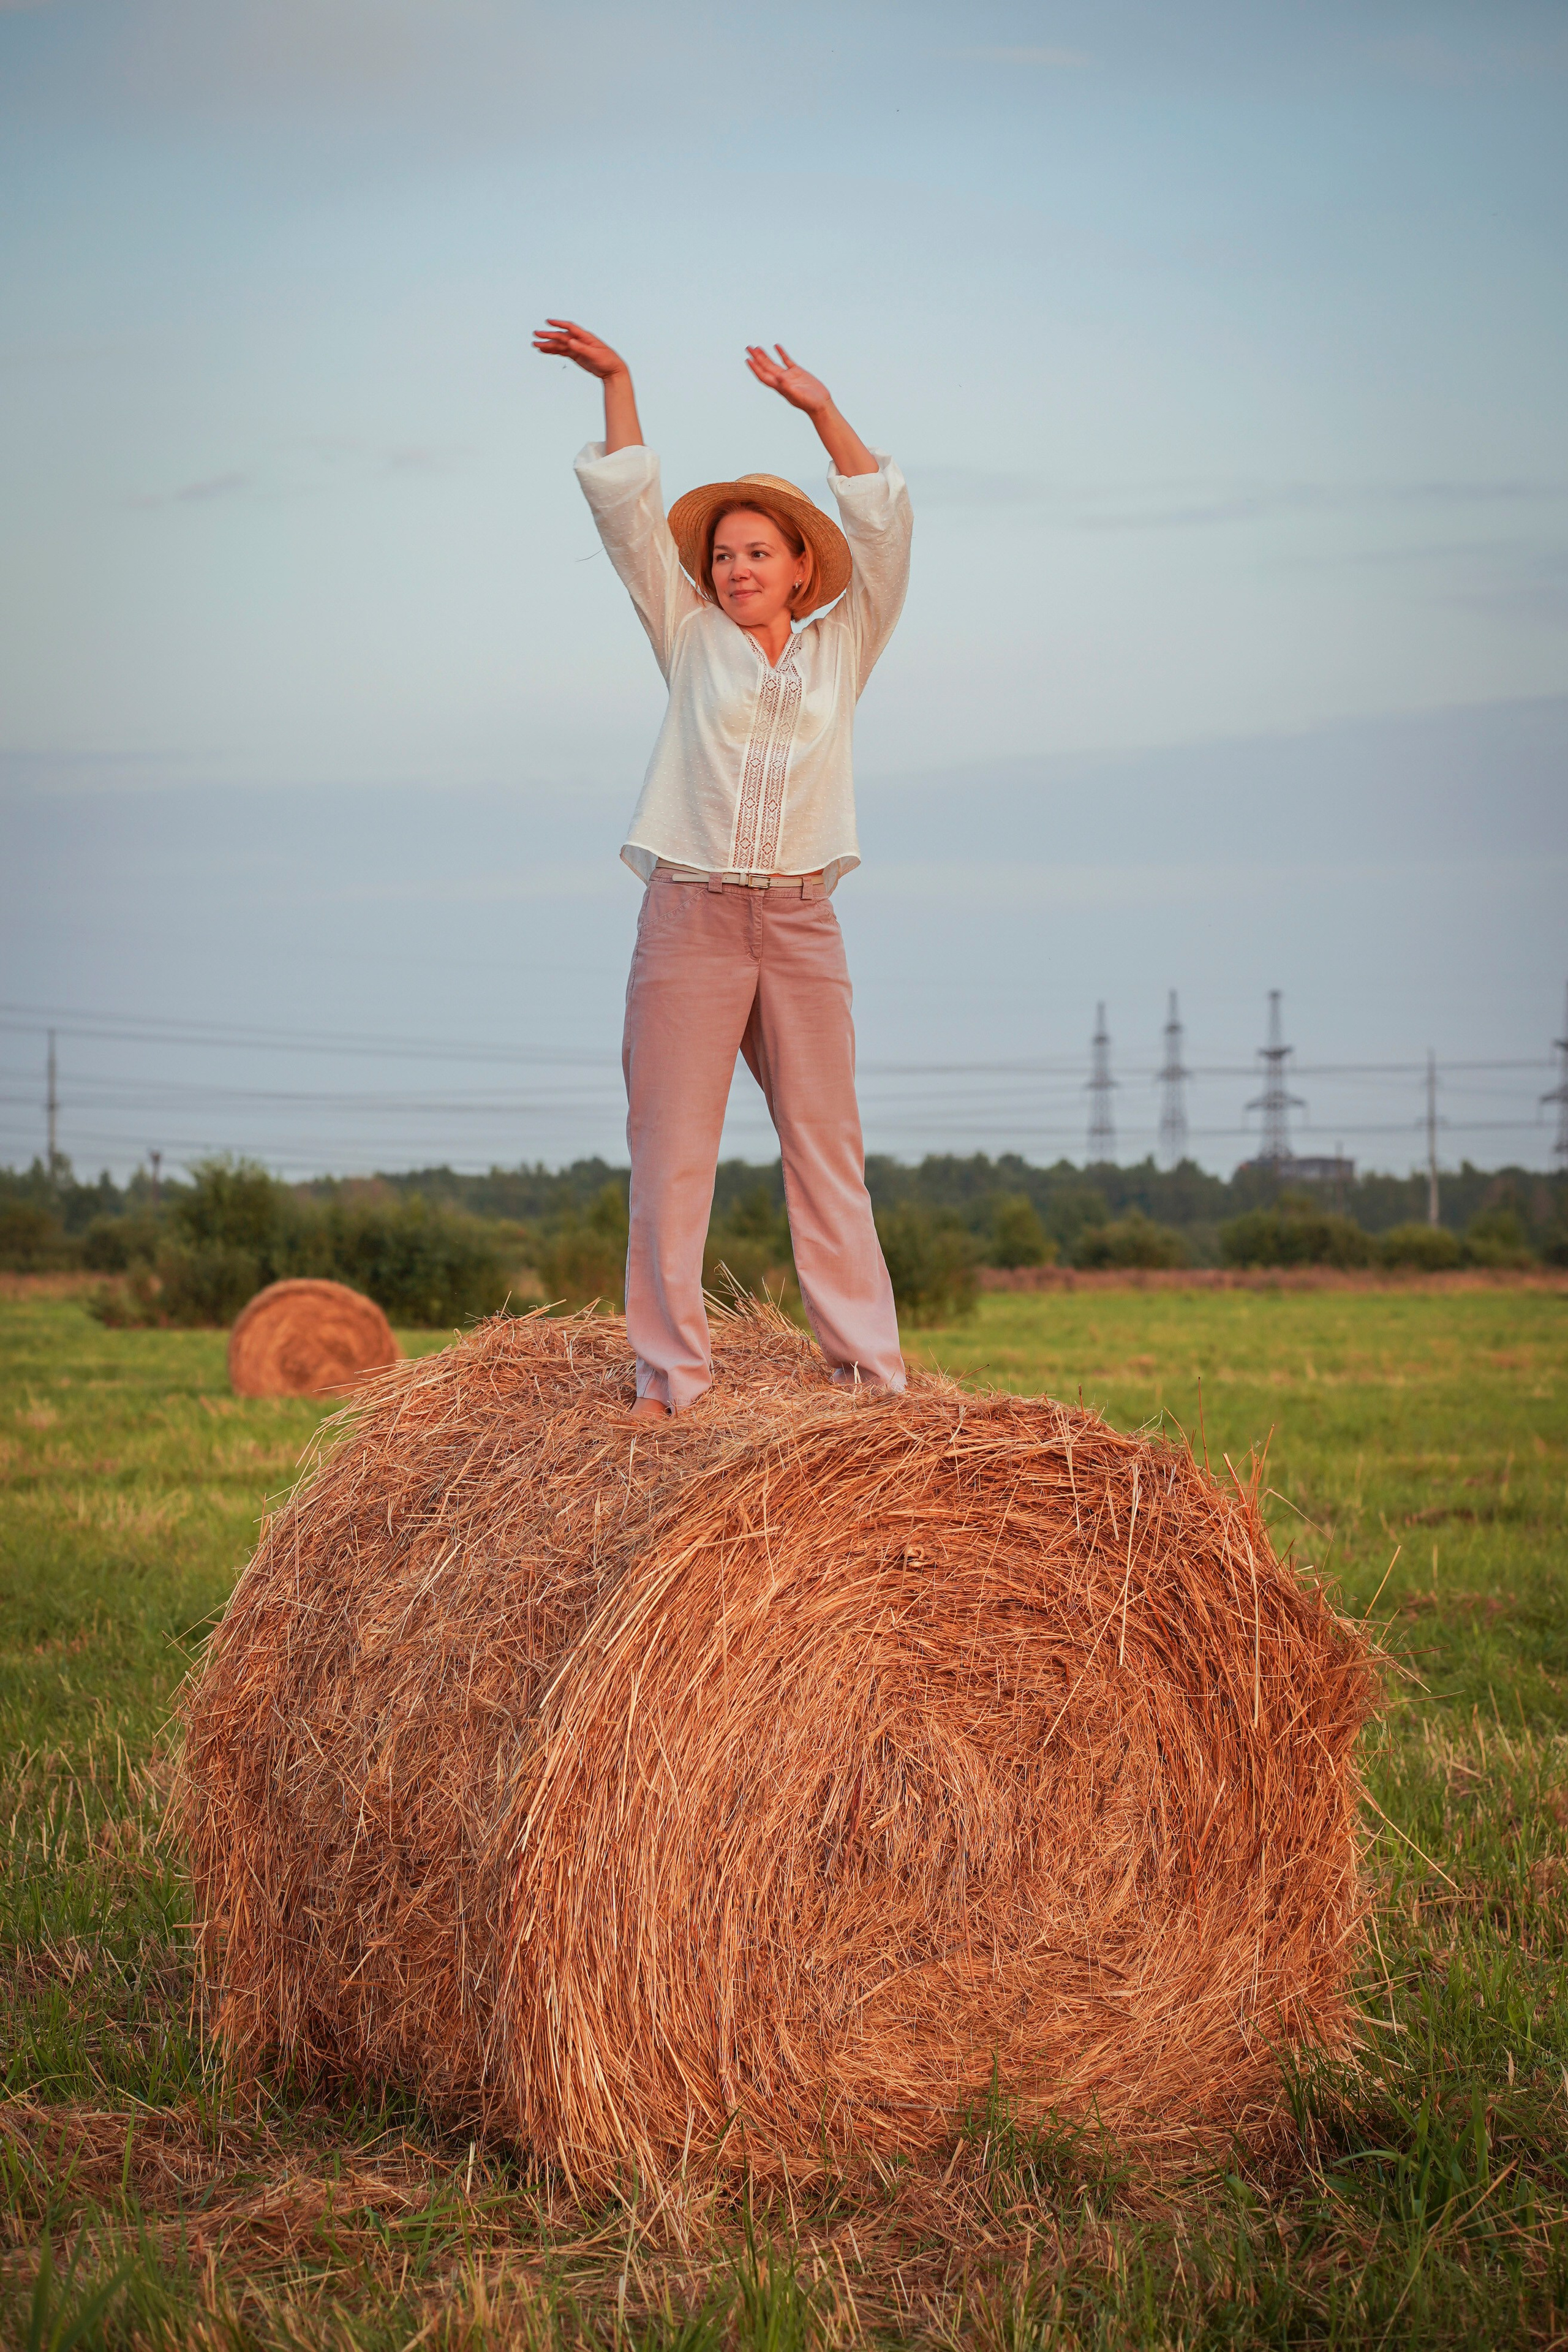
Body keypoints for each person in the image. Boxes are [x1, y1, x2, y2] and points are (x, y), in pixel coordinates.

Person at [533, 319, 911, 1420]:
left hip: (801, 924)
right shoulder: (686, 631)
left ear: (802, 568)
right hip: (689, 917)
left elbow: (885, 533)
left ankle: (871, 1385)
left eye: (759, 552)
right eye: (724, 555)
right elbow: (630, 520)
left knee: (828, 1153)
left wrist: (820, 413)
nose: (736, 567)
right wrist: (618, 381)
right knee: (670, 1155)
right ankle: (674, 1383)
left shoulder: (848, 644)